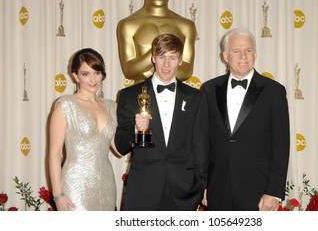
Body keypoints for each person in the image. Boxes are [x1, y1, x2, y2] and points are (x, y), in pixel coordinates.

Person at [114, 34, 208, 211]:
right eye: (161, 57)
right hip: (143, 189)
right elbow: (120, 145)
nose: (166, 64)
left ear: (180, 60)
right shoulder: (129, 95)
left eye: (172, 58)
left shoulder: (196, 97)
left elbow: (201, 146)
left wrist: (201, 186)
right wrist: (136, 128)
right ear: (152, 58)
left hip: (184, 192)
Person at [201, 27, 290, 211]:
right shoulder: (209, 90)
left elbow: (281, 145)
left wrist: (273, 192)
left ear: (255, 54)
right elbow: (203, 142)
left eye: (248, 50)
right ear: (225, 56)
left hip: (258, 194)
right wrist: (202, 184)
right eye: (236, 51)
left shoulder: (274, 91)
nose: (243, 56)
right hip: (218, 190)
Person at [49, 48, 120, 211]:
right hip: (76, 185)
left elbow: (118, 150)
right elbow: (54, 153)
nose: (93, 79)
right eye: (85, 74)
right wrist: (58, 195)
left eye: (97, 72)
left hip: (106, 184)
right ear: (75, 76)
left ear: (103, 74)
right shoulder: (65, 105)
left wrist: (140, 128)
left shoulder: (112, 107)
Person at [116, 0, 196, 83]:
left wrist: (154, 71)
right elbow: (129, 70)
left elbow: (187, 70)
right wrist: (157, 53)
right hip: (139, 95)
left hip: (177, 95)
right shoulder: (128, 25)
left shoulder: (186, 26)